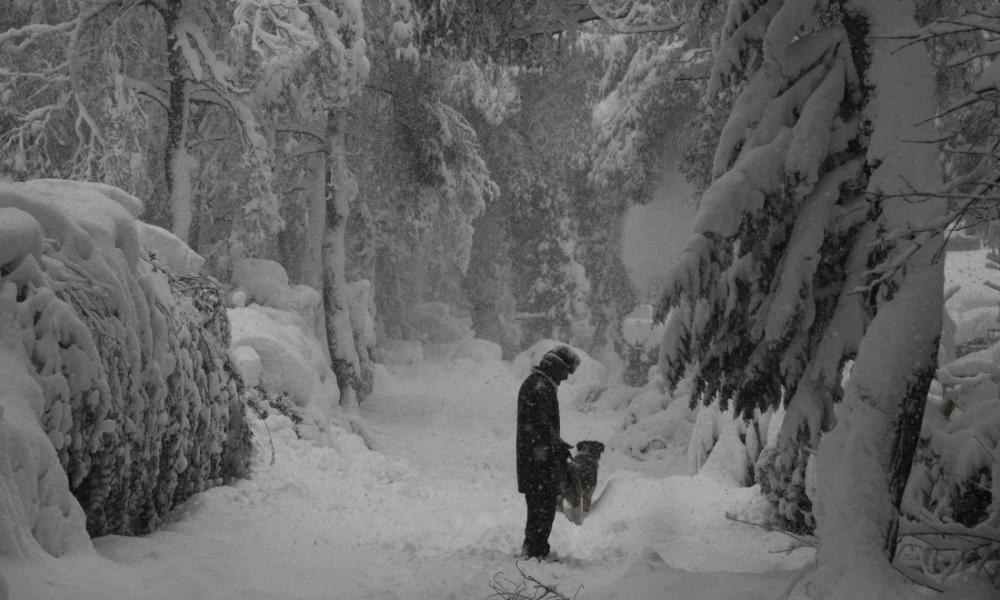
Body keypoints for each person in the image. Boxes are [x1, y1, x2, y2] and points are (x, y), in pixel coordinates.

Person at [515, 344, 581, 560]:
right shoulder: (540, 387)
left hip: (535, 458)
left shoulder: (538, 383)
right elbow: (541, 427)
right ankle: (535, 551)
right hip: (538, 461)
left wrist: (557, 447)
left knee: (539, 506)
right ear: (556, 367)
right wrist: (558, 449)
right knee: (542, 506)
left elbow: (541, 427)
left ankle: (534, 548)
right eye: (565, 372)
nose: (565, 379)